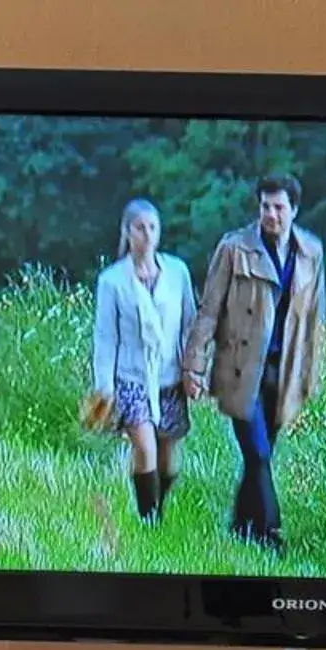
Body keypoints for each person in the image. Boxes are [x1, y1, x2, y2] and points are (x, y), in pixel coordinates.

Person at [182, 174, 326, 551]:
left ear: (294, 210)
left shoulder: (310, 252)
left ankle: (240, 530)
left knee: (258, 459)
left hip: (283, 371)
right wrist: (193, 366)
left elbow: (314, 320)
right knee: (259, 454)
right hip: (240, 369)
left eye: (279, 207)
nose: (271, 215)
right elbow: (209, 310)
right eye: (265, 206)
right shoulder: (234, 248)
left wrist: (310, 376)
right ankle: (271, 537)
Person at [91, 199, 195, 522]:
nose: (147, 235)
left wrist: (194, 369)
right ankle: (148, 520)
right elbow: (106, 338)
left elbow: (190, 323)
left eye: (152, 227)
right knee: (145, 448)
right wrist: (104, 389)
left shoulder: (177, 272)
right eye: (140, 228)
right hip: (131, 376)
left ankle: (159, 506)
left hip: (170, 375)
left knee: (168, 455)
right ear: (127, 232)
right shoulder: (112, 281)